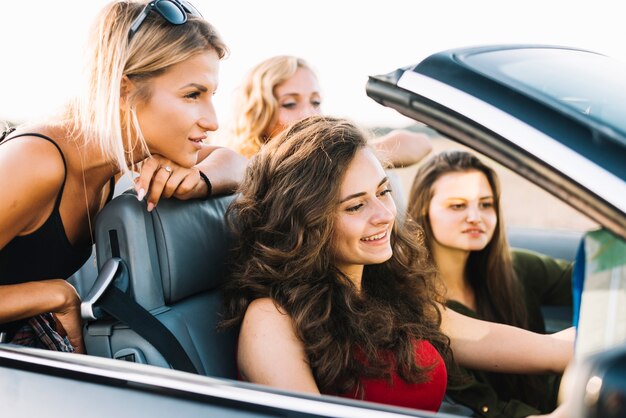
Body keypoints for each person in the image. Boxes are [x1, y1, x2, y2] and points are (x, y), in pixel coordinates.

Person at [221, 116, 572, 416]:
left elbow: (530, 346)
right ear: (305, 224)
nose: (385, 215)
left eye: (383, 192)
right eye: (356, 207)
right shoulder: (272, 318)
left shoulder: (390, 294)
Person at [0, 0, 246, 354]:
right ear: (124, 91)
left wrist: (197, 181)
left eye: (212, 95)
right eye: (192, 95)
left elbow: (241, 165)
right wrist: (54, 295)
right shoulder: (36, 161)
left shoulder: (121, 156)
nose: (212, 120)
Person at [407, 150, 573, 417]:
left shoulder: (513, 267)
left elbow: (594, 279)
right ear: (424, 208)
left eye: (486, 204)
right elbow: (487, 409)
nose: (475, 216)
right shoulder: (419, 309)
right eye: (457, 205)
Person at [227, 55, 432, 166]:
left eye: (315, 102)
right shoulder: (240, 169)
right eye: (290, 104)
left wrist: (352, 154)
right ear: (256, 113)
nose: (310, 115)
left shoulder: (332, 158)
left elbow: (422, 144)